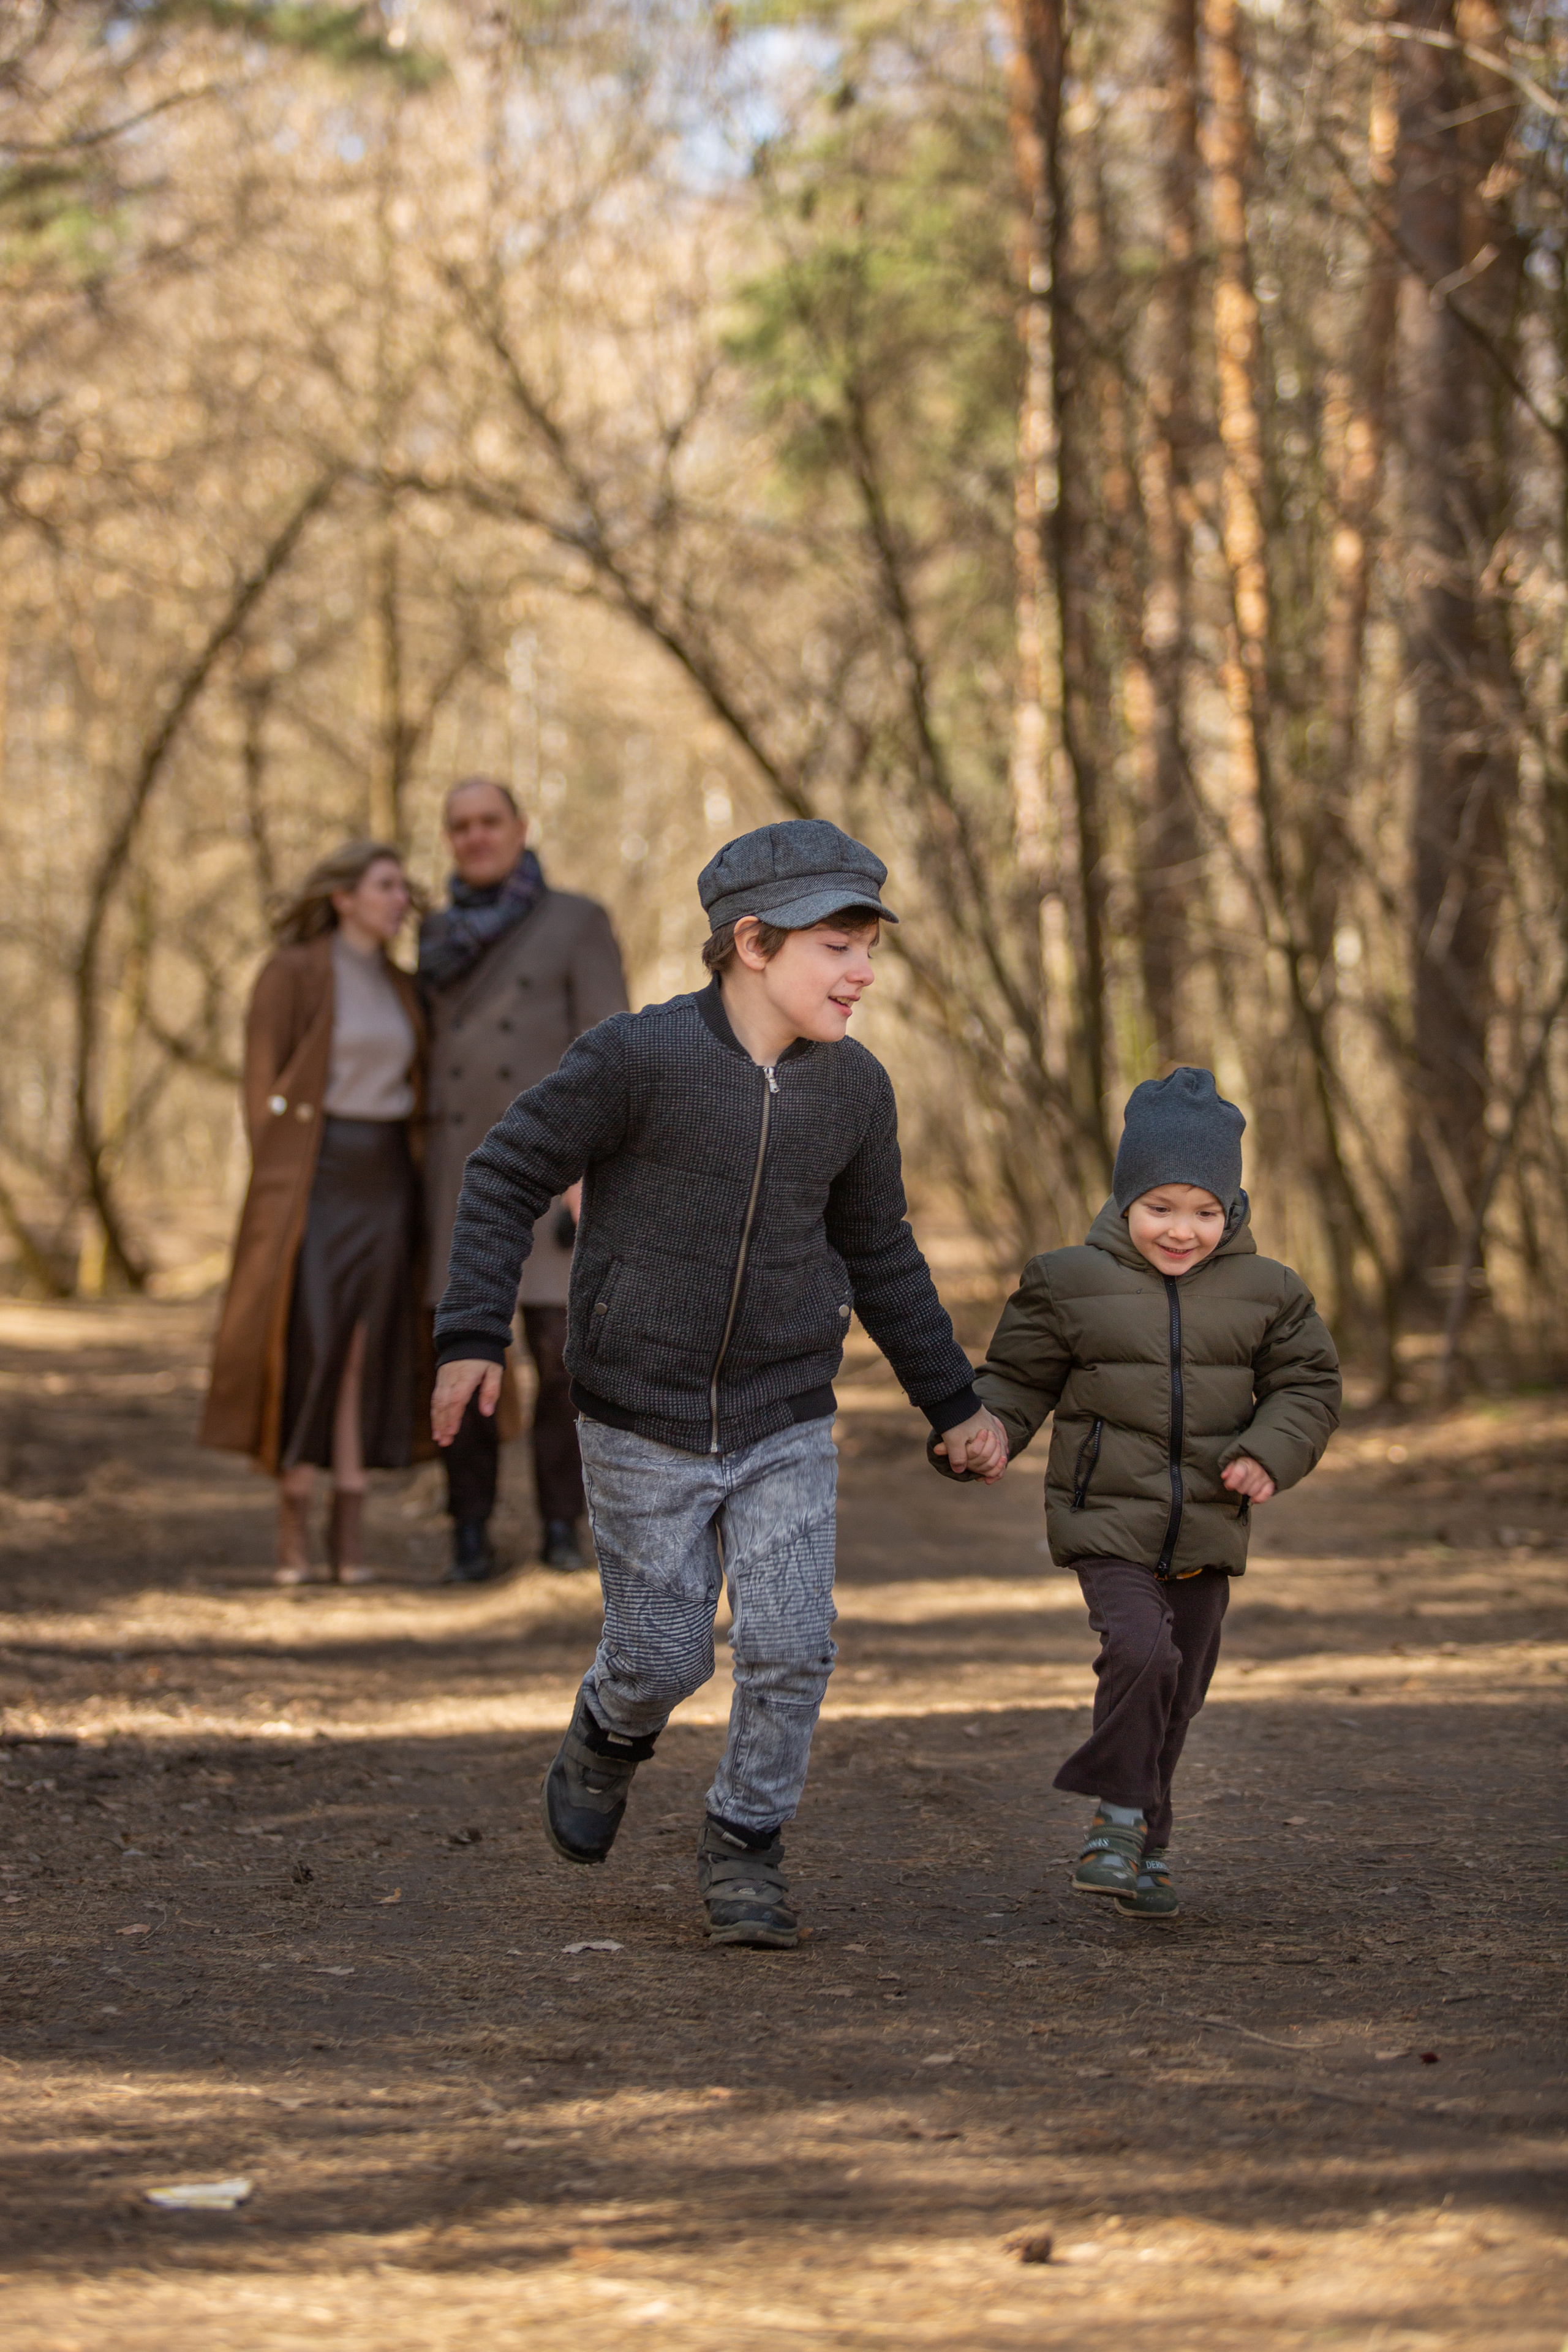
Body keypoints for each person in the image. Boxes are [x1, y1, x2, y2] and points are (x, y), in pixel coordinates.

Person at [430, 818, 1007, 1948]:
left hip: (784, 1411)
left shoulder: (855, 1093)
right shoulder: (636, 1060)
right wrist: (469, 1332)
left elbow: (881, 1254)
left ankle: (746, 1839)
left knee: (792, 1642)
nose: (864, 971)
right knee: (664, 1653)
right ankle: (610, 1724)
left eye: (869, 947)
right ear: (752, 941)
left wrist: (956, 1403)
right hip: (638, 1415)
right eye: (838, 946)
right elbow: (502, 1176)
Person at [933, 1066, 1340, 1919]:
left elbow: (1310, 1387)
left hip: (1208, 1527)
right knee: (1142, 1654)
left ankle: (1148, 1841)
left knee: (1180, 1689)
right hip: (1107, 1520)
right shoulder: (1068, 1280)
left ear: (1233, 1208)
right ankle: (1116, 1820)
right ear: (1124, 1202)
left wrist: (1271, 1451)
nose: (1183, 1231)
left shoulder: (1273, 1293)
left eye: (1205, 1211)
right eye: (1161, 1208)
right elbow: (1016, 1381)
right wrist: (985, 1435)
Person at [419, 776, 627, 1583]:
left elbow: (611, 1051)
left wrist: (595, 1169)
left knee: (562, 1360)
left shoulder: (576, 920)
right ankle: (468, 1532)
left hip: (549, 1171)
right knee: (459, 1357)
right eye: (459, 825)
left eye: (488, 822)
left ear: (520, 827)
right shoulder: (435, 933)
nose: (474, 836)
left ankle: (560, 1527)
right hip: (453, 1182)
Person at [201, 840, 427, 1584]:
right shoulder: (291, 972)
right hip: (314, 1173)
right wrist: (280, 1174)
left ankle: (351, 1521)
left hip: (389, 1172)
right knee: (313, 1332)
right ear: (344, 897)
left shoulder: (402, 984)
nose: (402, 898)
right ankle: (295, 1509)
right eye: (387, 885)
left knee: (369, 1338)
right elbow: (259, 1085)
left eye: (402, 888)